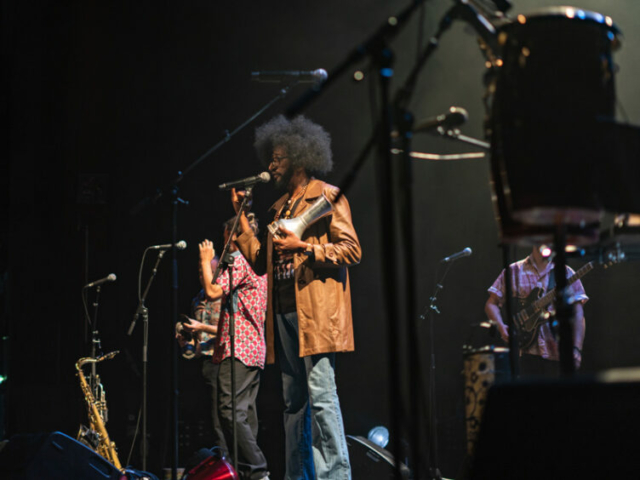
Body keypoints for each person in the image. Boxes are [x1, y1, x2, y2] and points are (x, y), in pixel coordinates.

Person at [231, 114, 362, 480]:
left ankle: (334, 476)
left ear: (301, 158)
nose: (271, 166)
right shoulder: (278, 208)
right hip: (286, 313)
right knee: (294, 404)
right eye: (270, 158)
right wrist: (241, 218)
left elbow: (351, 250)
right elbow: (260, 261)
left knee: (321, 397)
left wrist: (305, 246)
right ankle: (297, 475)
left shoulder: (327, 195)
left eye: (278, 158)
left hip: (317, 315)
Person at [182, 213, 269, 480]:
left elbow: (211, 292)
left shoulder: (242, 261)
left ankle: (257, 471)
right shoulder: (255, 264)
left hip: (240, 348)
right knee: (243, 414)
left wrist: (205, 261)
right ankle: (246, 472)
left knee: (229, 411)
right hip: (251, 348)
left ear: (234, 238)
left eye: (225, 241)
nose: (223, 247)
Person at [484, 245, 588, 376]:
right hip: (523, 355)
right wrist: (501, 327)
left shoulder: (565, 273)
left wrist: (577, 348)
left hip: (557, 355)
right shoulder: (514, 270)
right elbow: (491, 304)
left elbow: (578, 313)